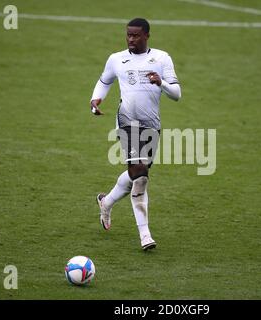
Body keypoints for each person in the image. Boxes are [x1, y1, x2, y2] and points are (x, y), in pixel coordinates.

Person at [90, 18, 181, 250]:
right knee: (140, 175)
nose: (131, 39)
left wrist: (161, 83)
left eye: (136, 35)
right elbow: (104, 81)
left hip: (152, 123)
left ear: (147, 35)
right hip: (127, 121)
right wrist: (95, 100)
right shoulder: (116, 59)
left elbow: (177, 94)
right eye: (128, 35)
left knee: (136, 174)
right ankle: (145, 235)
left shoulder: (162, 58)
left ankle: (106, 202)